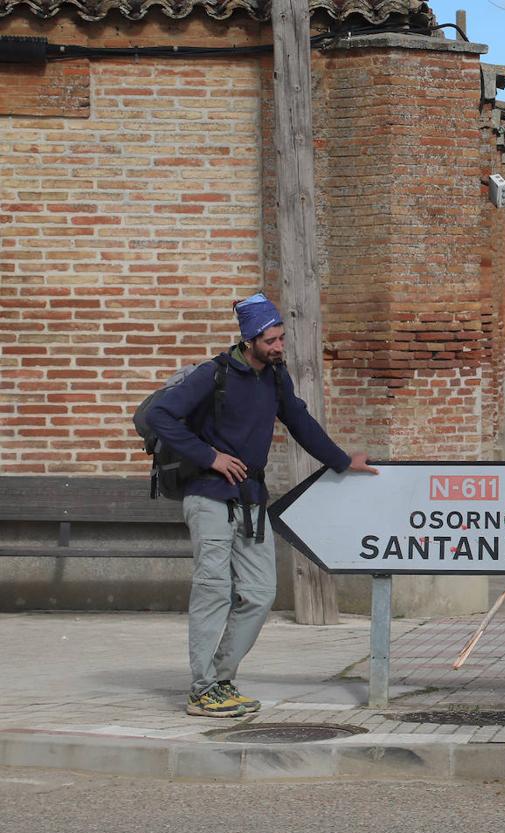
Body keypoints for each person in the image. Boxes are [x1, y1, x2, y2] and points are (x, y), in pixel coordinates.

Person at [146, 293, 378, 719]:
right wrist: (209, 456)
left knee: (258, 594)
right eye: (270, 340)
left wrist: (343, 460)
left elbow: (300, 421)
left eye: (281, 338)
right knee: (214, 590)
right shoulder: (211, 375)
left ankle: (221, 678)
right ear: (249, 339)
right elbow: (159, 416)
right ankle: (202, 690)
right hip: (209, 497)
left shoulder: (274, 377)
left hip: (251, 500)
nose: (278, 347)